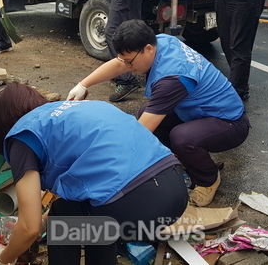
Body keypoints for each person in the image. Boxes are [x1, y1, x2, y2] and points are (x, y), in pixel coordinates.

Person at [0, 83, 188, 265]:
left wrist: (3, 257)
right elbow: (94, 178)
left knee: (63, 220)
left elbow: (30, 227)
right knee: (82, 214)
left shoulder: (21, 136)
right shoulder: (69, 113)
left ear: (0, 128)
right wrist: (37, 220)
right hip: (175, 190)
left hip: (134, 204)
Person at [67, 19, 250, 207]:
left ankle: (208, 179)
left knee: (182, 138)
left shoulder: (173, 78)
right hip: (199, 110)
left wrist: (99, 163)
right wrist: (83, 84)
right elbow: (121, 63)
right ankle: (185, 161)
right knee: (145, 111)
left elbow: (140, 133)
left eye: (130, 61)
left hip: (230, 123)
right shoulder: (161, 41)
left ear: (148, 49)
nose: (128, 67)